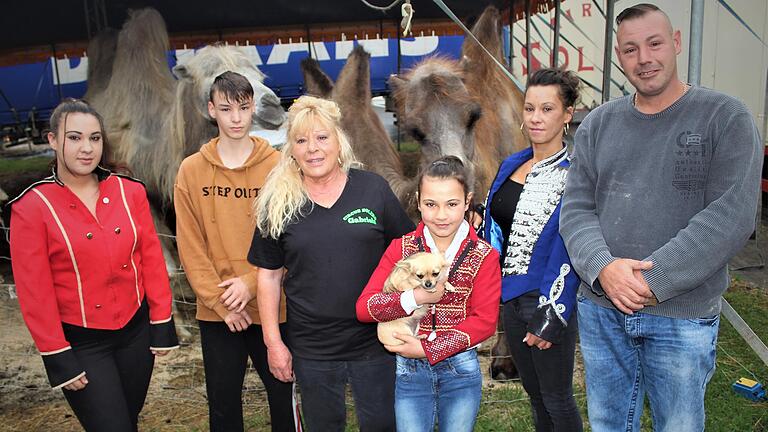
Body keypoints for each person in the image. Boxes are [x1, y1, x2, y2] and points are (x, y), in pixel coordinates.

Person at [559, 4, 762, 431]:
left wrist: (653, 280)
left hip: (681, 314)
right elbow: (576, 209)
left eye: (654, 43)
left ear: (676, 43)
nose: (644, 58)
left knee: (679, 425)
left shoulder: (724, 117)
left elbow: (731, 215)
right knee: (609, 424)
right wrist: (603, 269)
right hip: (602, 309)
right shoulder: (597, 124)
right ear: (618, 55)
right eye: (630, 49)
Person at [9, 98, 179, 431]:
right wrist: (56, 354)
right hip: (81, 343)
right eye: (74, 138)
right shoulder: (31, 207)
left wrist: (161, 321)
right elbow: (34, 292)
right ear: (53, 141)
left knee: (127, 420)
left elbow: (151, 260)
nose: (86, 148)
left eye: (95, 138)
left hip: (136, 335)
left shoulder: (129, 192)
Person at [248, 95, 413, 432]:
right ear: (291, 149)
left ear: (339, 141)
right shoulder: (277, 203)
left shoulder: (372, 190)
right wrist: (273, 343)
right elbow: (268, 278)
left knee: (382, 425)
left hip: (376, 339)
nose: (313, 148)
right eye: (302, 140)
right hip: (312, 346)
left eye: (322, 137)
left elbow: (407, 252)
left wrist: (411, 314)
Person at [174, 71, 297, 431]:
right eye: (226, 109)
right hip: (218, 312)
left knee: (283, 398)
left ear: (253, 107)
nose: (236, 118)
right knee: (224, 407)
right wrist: (219, 300)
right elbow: (190, 243)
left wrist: (250, 283)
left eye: (243, 108)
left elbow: (289, 238)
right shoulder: (191, 171)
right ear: (212, 110)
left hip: (273, 306)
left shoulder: (277, 167)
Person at [357, 156, 501, 432]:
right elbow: (365, 308)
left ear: (468, 201)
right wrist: (415, 298)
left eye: (452, 204)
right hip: (410, 372)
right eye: (431, 204)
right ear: (418, 201)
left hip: (460, 369)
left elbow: (485, 321)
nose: (441, 215)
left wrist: (427, 348)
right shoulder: (401, 249)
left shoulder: (484, 255)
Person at [480, 67, 582, 431]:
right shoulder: (511, 164)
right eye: (529, 108)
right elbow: (494, 228)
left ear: (568, 113)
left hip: (545, 299)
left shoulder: (576, 173)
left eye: (547, 109)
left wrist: (552, 313)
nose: (536, 118)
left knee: (557, 397)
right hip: (509, 299)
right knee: (535, 395)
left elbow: (570, 245)